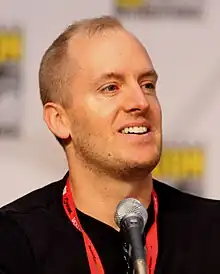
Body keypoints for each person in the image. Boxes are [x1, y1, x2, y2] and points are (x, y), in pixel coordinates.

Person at [0, 15, 220, 274]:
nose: (140, 101)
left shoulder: (214, 231)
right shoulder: (13, 243)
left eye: (147, 84)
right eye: (110, 88)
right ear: (59, 120)